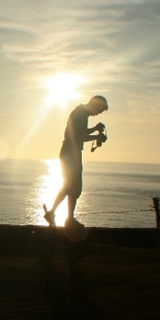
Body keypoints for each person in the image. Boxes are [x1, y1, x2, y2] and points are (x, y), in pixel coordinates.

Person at [43, 95, 108, 227]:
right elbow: (79, 135)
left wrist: (95, 133)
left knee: (73, 187)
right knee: (72, 186)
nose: (97, 114)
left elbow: (80, 135)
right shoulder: (80, 114)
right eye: (98, 111)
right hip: (70, 153)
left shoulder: (81, 113)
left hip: (71, 152)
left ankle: (62, 216)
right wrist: (96, 133)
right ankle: (64, 217)